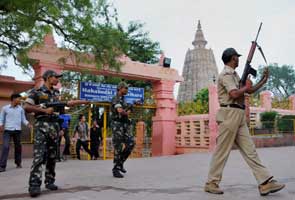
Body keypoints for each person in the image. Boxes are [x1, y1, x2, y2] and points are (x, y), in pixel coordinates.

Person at [204, 48, 285, 196]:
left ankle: (265, 182)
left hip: (238, 114)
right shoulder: (226, 75)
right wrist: (245, 87)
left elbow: (249, 91)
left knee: (250, 151)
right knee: (222, 151)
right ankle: (211, 182)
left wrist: (263, 81)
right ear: (232, 58)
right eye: (237, 57)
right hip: (229, 114)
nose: (239, 59)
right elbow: (234, 94)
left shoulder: (234, 75)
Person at [24, 70, 88, 197]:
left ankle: (50, 181)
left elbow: (62, 110)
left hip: (54, 127)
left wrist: (78, 103)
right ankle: (34, 185)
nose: (58, 79)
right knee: (39, 157)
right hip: (41, 127)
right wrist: (43, 110)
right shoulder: (36, 92)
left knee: (53, 156)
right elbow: (26, 107)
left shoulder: (56, 93)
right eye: (56, 77)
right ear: (48, 78)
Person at [0, 93, 31, 172]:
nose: (20, 100)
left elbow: (23, 119)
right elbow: (1, 119)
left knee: (18, 147)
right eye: (19, 99)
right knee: (5, 147)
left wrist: (28, 124)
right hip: (7, 130)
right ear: (14, 99)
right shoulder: (5, 108)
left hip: (17, 130)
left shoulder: (20, 109)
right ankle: (2, 166)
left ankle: (18, 162)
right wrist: (1, 125)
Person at [110, 81, 135, 178]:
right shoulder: (115, 98)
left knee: (131, 143)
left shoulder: (123, 100)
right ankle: (115, 169)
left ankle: (120, 163)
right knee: (118, 147)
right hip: (117, 126)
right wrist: (127, 112)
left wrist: (132, 106)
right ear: (120, 88)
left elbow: (126, 109)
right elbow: (120, 111)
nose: (127, 90)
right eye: (126, 88)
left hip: (125, 126)